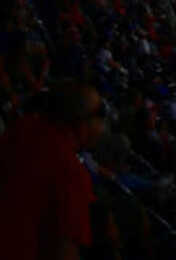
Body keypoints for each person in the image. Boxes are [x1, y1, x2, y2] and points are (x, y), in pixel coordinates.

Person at [0, 80, 105, 260]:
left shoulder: (21, 127)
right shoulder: (71, 173)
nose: (103, 125)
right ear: (81, 122)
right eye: (100, 114)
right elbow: (66, 250)